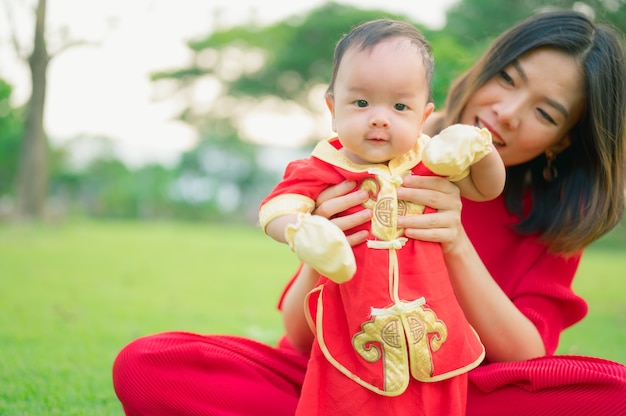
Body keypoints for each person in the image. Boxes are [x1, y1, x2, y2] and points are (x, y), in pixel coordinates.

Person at [112, 9, 626, 416]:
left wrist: (456, 244)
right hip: (331, 376)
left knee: (612, 394)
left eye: (544, 112)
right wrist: (324, 242)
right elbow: (297, 336)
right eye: (509, 79)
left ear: (563, 141)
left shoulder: (556, 218)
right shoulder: (359, 157)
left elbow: (528, 358)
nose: (506, 112)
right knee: (147, 366)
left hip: (460, 390)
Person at [258, 19, 504, 416]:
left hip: (430, 328)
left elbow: (486, 188)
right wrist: (303, 232)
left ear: (423, 117)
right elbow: (277, 209)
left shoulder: (430, 162)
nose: (380, 118)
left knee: (434, 401)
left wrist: (479, 147)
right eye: (361, 103)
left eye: (400, 106)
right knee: (344, 400)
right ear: (332, 109)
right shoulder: (323, 167)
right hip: (355, 329)